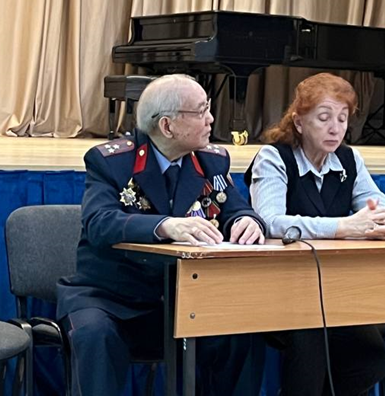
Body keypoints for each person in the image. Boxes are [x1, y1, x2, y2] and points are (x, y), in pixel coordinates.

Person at [56, 74, 267, 396]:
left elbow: (235, 208)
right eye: (201, 111)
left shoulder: (211, 160)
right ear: (167, 126)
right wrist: (165, 225)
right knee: (94, 335)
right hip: (111, 299)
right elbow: (99, 222)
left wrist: (248, 222)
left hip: (183, 300)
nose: (211, 119)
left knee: (242, 331)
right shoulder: (112, 161)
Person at [247, 72, 385, 396]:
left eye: (343, 119)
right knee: (311, 342)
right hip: (281, 288)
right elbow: (270, 221)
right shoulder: (274, 157)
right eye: (324, 118)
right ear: (299, 122)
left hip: (339, 289)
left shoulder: (349, 159)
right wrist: (343, 227)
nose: (335, 128)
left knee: (371, 357)